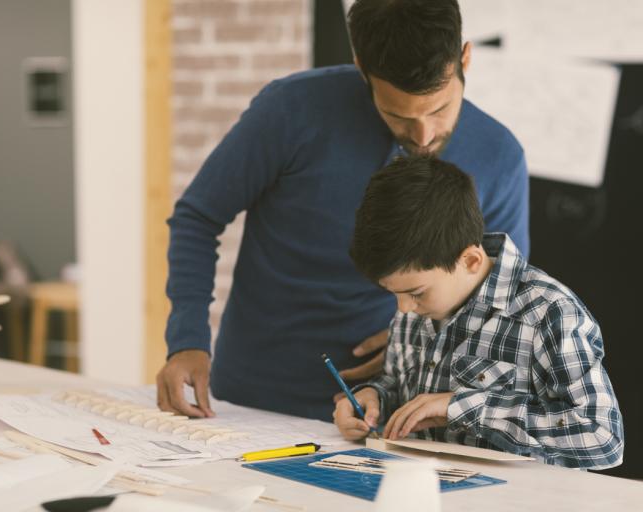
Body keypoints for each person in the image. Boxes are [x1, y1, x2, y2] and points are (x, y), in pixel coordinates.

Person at [157, 0, 530, 422]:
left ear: (465, 58)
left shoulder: (501, 157)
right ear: (361, 67)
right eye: (397, 115)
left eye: (440, 109)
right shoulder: (290, 109)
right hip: (249, 396)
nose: (423, 136)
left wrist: (415, 338)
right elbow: (198, 218)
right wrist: (187, 339)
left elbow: (499, 298)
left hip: (395, 410)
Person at [335, 155, 623, 469]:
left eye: (414, 293)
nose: (403, 309)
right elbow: (401, 383)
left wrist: (463, 407)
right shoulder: (418, 300)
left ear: (470, 261)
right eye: (393, 294)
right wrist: (373, 398)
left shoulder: (549, 313)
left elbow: (602, 438)